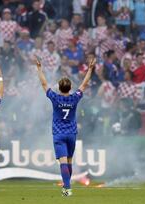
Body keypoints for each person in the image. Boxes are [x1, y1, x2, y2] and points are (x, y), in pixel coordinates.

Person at [35, 56, 96, 197]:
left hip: (58, 134)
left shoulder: (55, 98)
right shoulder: (74, 97)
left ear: (59, 87)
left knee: (63, 161)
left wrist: (39, 69)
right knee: (69, 161)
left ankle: (67, 189)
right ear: (70, 87)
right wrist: (90, 69)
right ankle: (66, 186)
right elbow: (85, 84)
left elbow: (44, 84)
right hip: (72, 133)